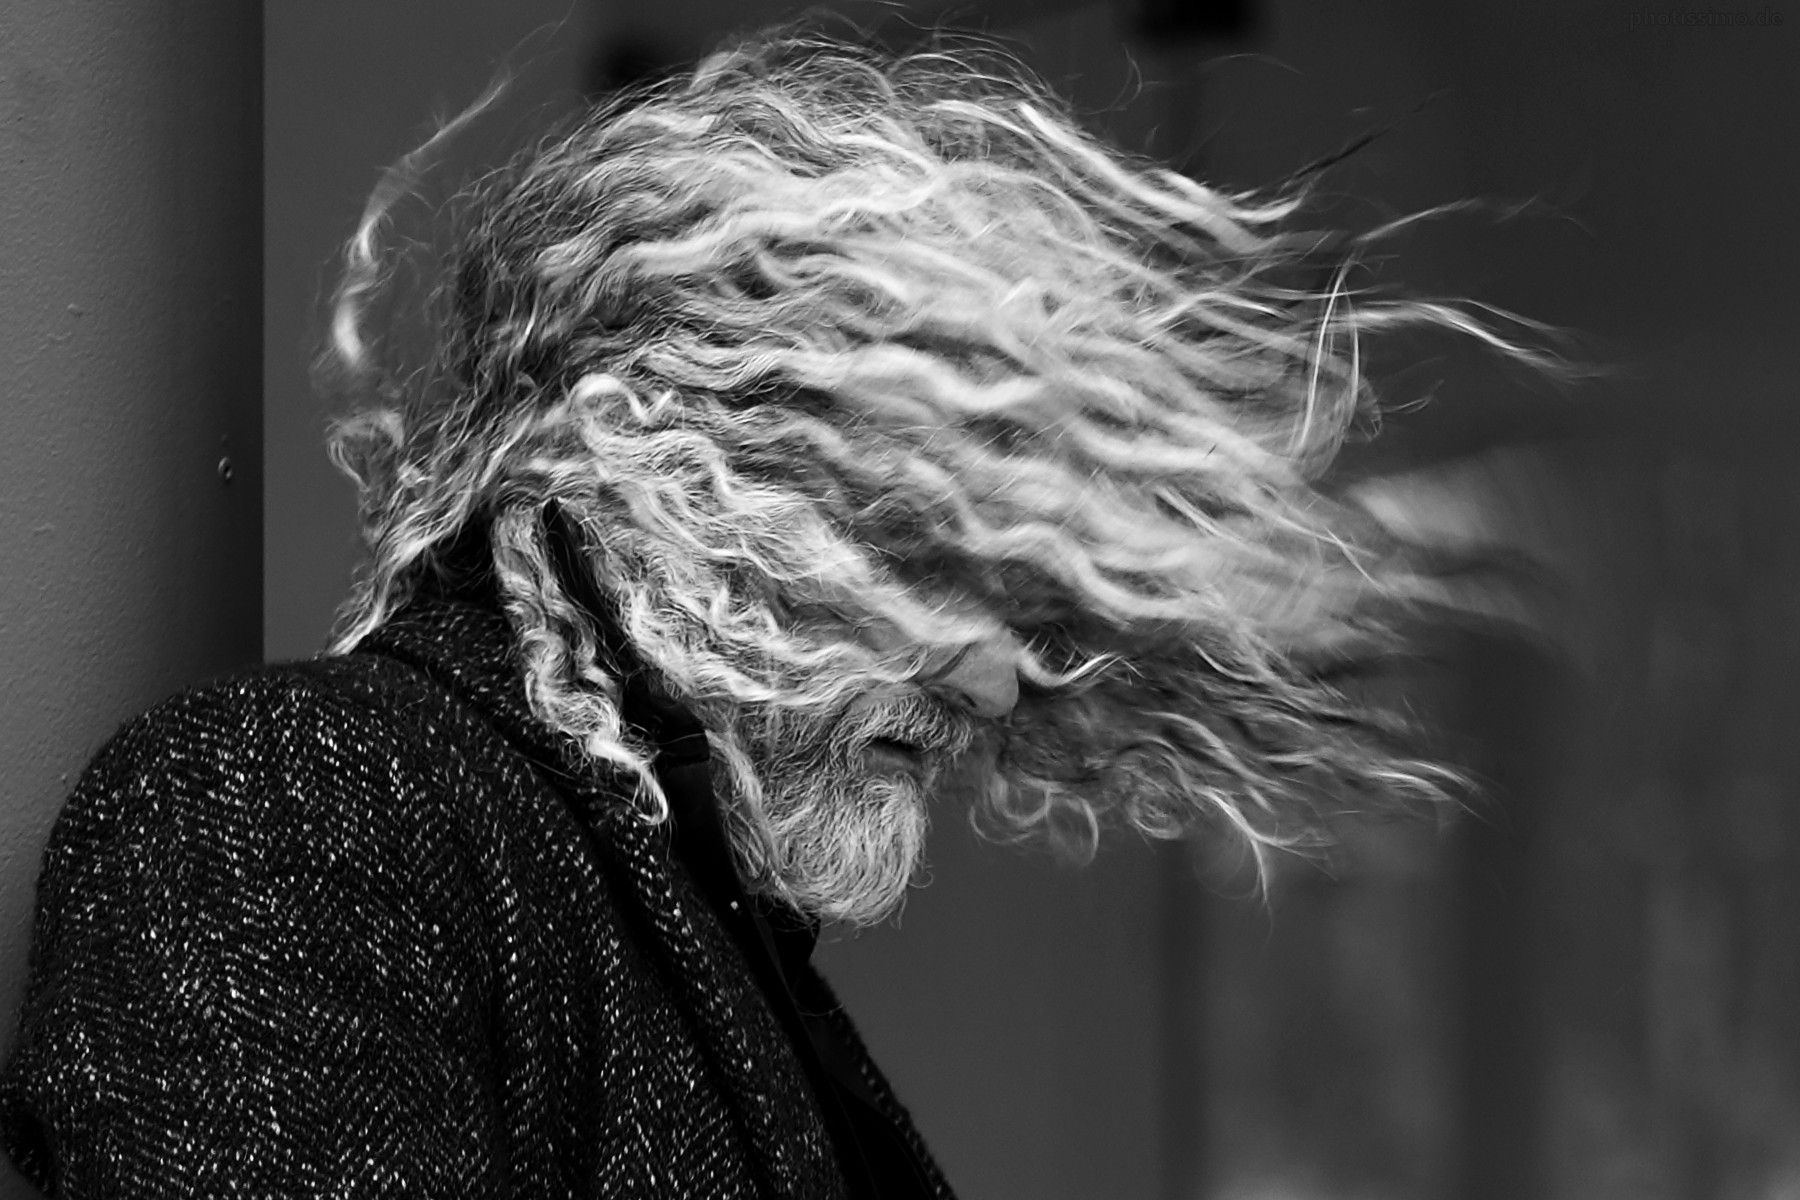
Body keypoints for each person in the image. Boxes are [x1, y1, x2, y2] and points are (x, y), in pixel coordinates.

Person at [0, 29, 1542, 1199]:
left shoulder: (687, 908)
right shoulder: (286, 805)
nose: (1001, 680)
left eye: (1037, 600)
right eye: (938, 566)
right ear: (669, 472)